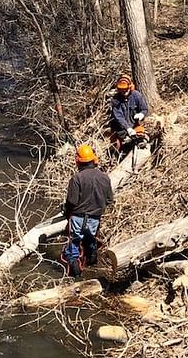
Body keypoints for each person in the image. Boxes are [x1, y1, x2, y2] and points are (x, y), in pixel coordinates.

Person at [60, 144, 114, 277]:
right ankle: (92, 266)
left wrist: (65, 211)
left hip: (78, 217)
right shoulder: (104, 177)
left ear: (77, 161)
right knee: (90, 240)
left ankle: (75, 273)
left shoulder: (77, 178)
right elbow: (109, 200)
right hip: (95, 217)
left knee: (74, 242)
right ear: (94, 160)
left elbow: (72, 202)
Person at [108, 74, 148, 152]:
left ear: (130, 87)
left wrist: (141, 114)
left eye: (126, 89)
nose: (124, 91)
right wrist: (128, 129)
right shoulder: (115, 100)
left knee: (142, 137)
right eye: (122, 89)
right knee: (117, 146)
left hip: (134, 125)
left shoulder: (136, 95)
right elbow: (119, 118)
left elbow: (144, 109)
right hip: (120, 129)